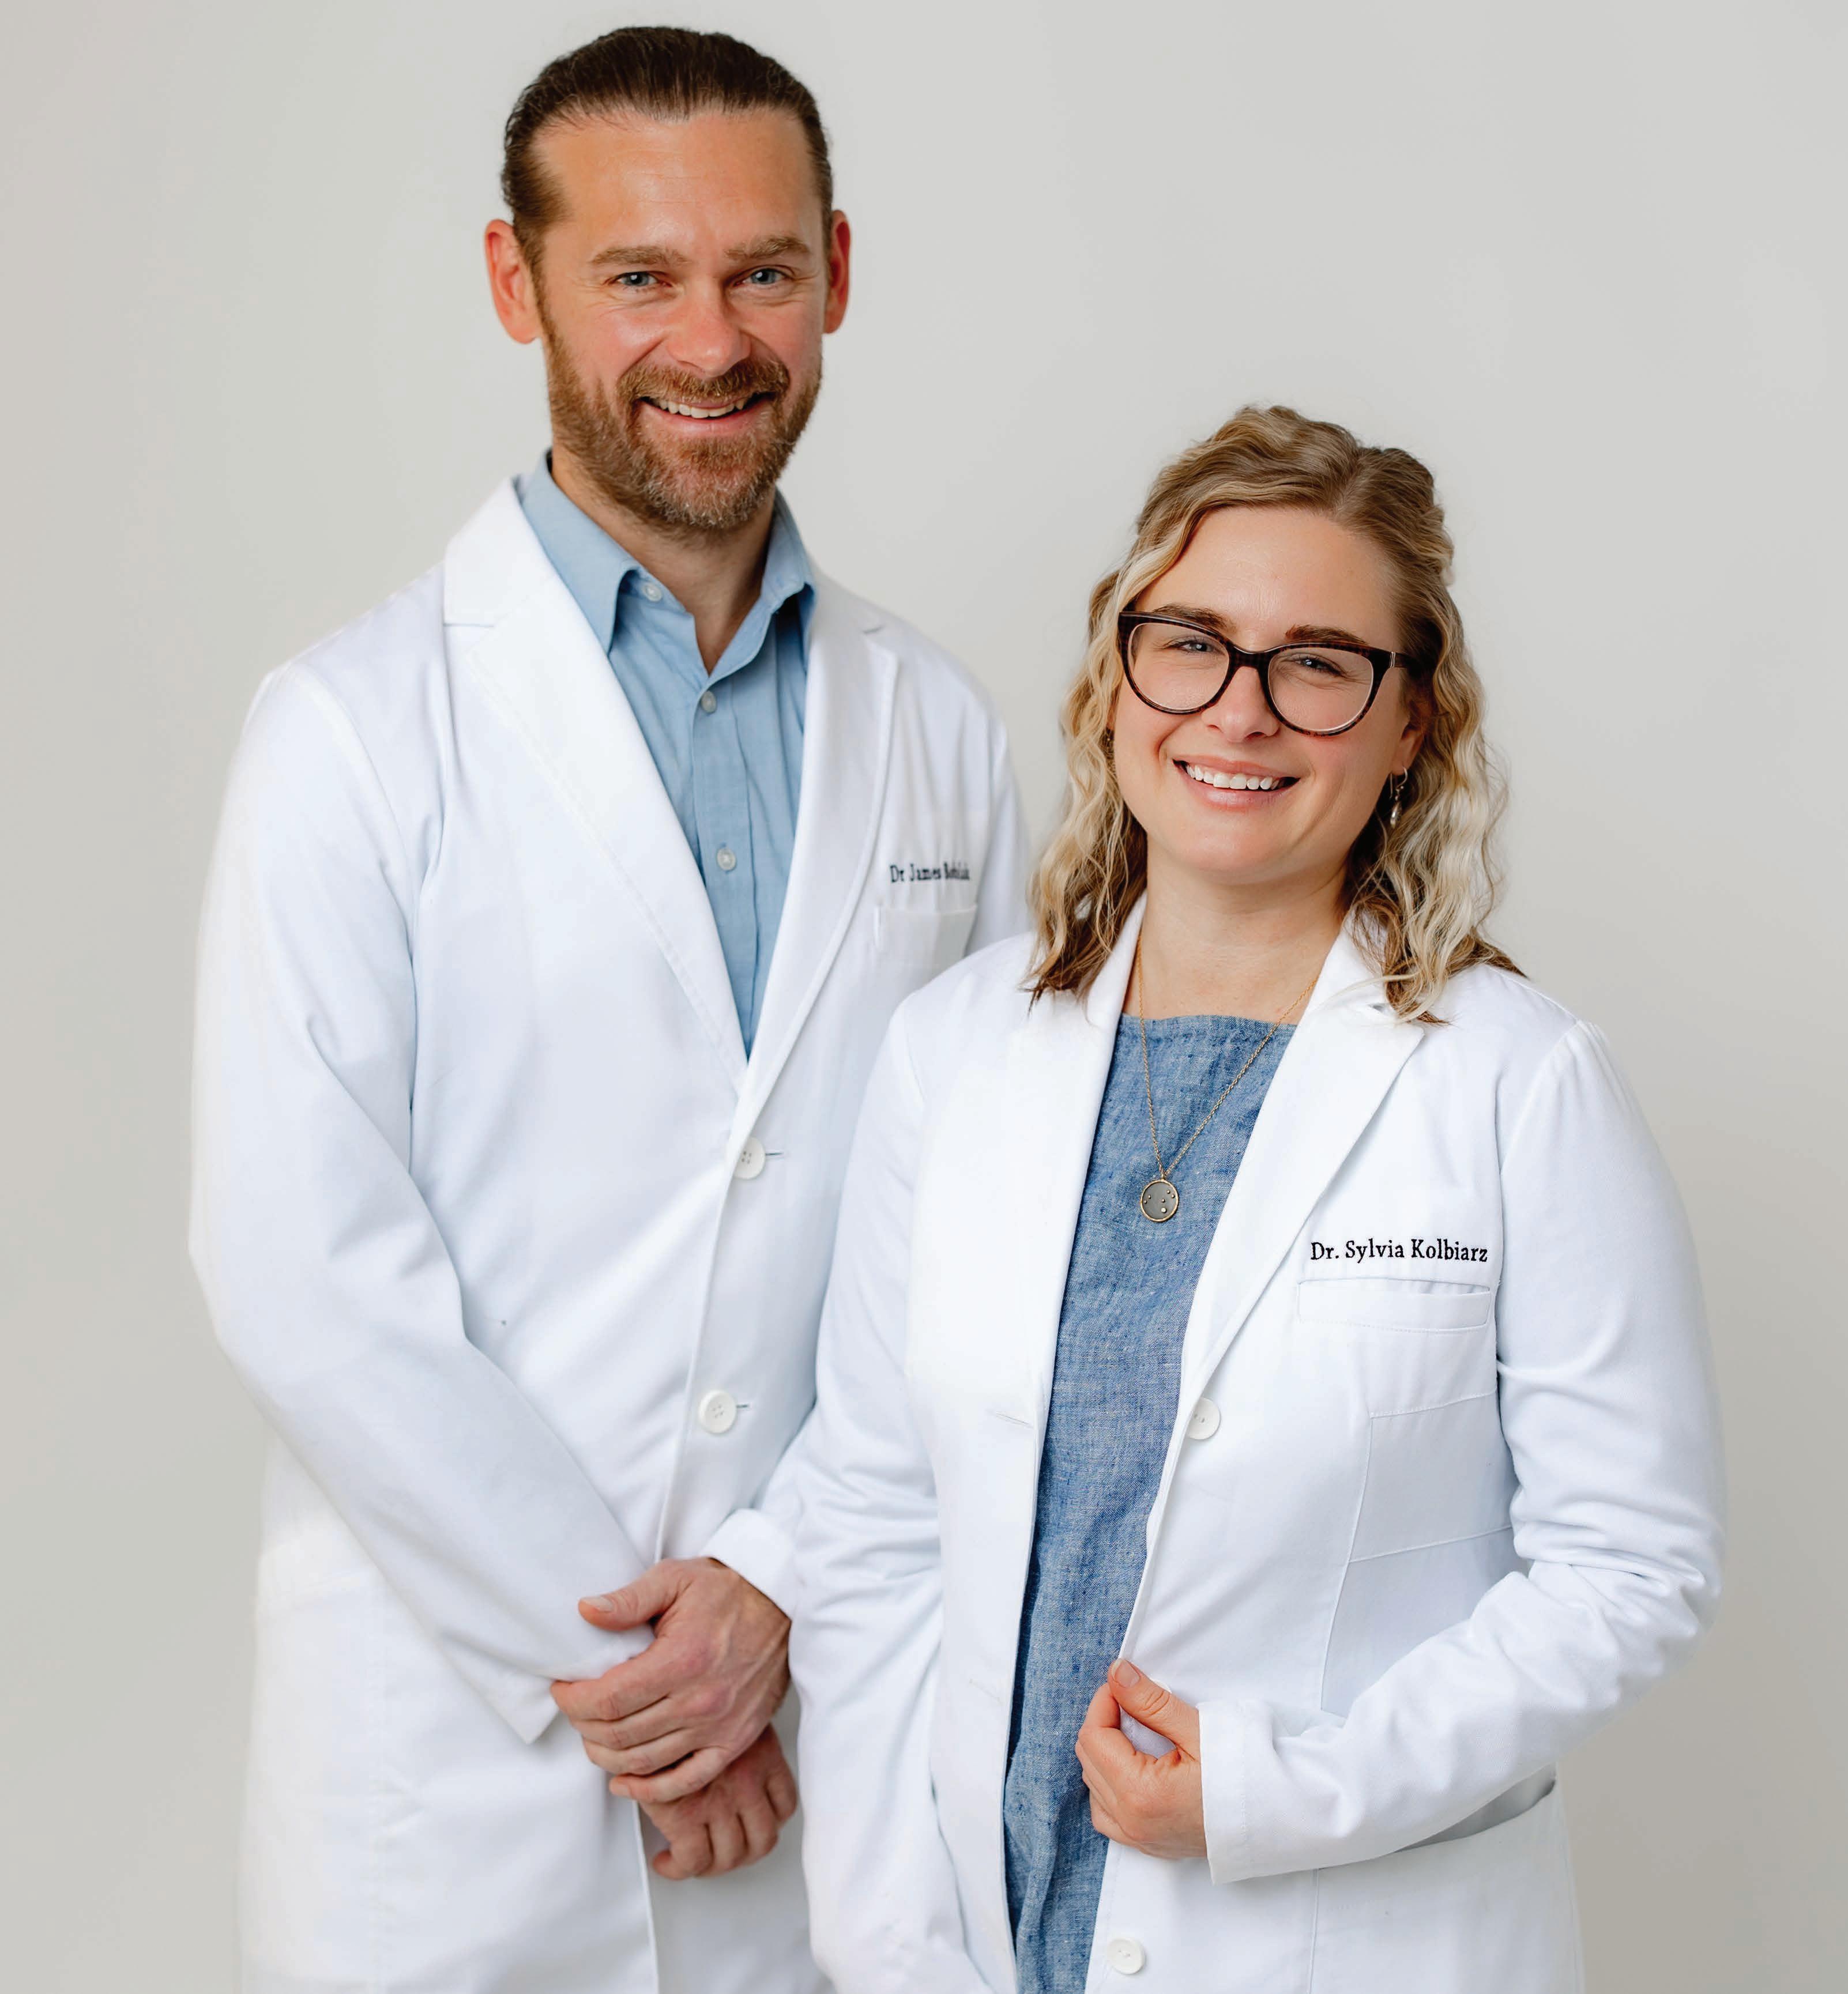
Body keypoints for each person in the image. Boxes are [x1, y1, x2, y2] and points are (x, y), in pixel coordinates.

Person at [190, 27, 1023, 1994]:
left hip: (812, 1732)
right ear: (519, 284)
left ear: (837, 271)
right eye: (639, 274)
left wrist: (770, 1590)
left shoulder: (937, 730)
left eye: (762, 270)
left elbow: (977, 1244)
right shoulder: (349, 732)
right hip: (455, 1763)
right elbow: (302, 1269)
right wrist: (646, 1674)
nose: (710, 340)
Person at [791, 406, 1723, 1993]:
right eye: (1192, 643)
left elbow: (1633, 1565)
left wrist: (1289, 1789)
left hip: (1345, 1943)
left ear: (1412, 718)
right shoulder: (952, 1053)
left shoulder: (1521, 1083)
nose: (1240, 708)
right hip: (985, 1946)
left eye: (1318, 663)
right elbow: (877, 1525)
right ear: (1117, 673)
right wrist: (883, 1942)